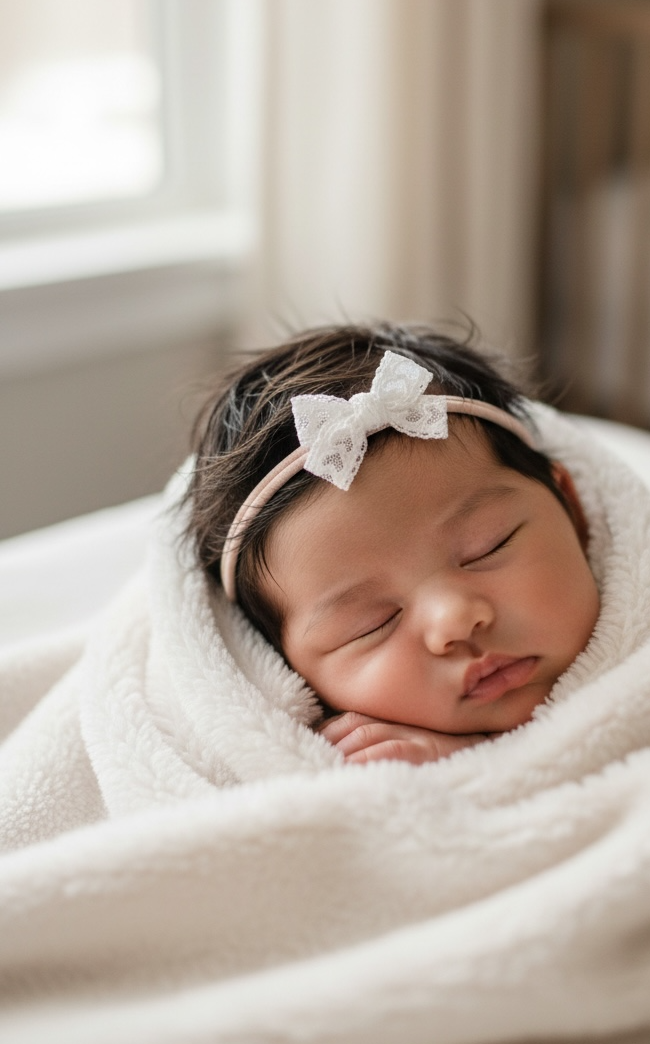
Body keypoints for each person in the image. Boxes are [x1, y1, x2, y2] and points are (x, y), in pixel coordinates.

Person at [185, 323, 600, 765]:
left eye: (488, 547)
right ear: (285, 670)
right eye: (373, 623)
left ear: (570, 509)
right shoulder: (336, 771)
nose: (454, 621)